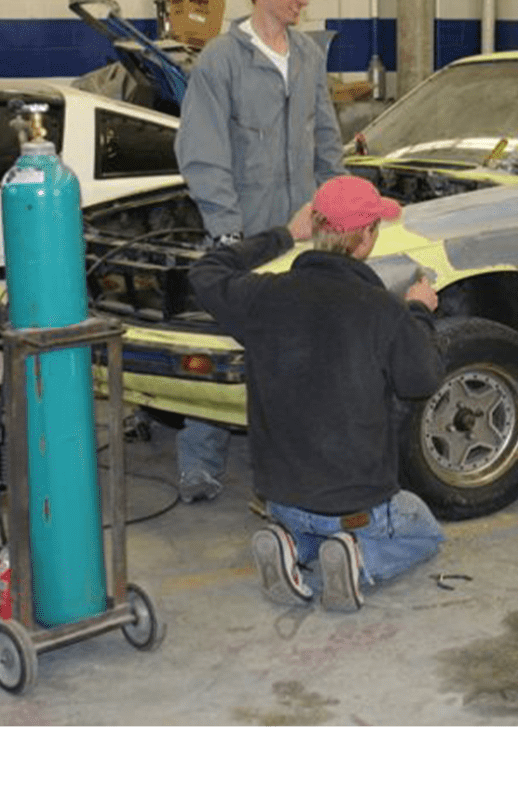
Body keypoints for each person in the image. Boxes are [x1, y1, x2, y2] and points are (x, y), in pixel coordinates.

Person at [188, 174, 446, 612]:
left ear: (316, 227)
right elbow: (421, 379)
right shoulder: (381, 308)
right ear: (365, 238)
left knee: (309, 520)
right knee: (424, 530)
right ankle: (358, 560)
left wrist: (284, 234)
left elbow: (205, 271)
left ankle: (295, 548)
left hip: (281, 498)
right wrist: (419, 310)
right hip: (357, 505)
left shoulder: (263, 297)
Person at [172, 0, 348, 504]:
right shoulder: (220, 61)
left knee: (299, 345)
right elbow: (201, 151)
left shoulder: (307, 56)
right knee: (229, 339)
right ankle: (198, 459)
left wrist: (339, 203)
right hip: (245, 233)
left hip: (304, 231)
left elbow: (326, 137)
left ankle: (290, 460)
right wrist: (227, 231)